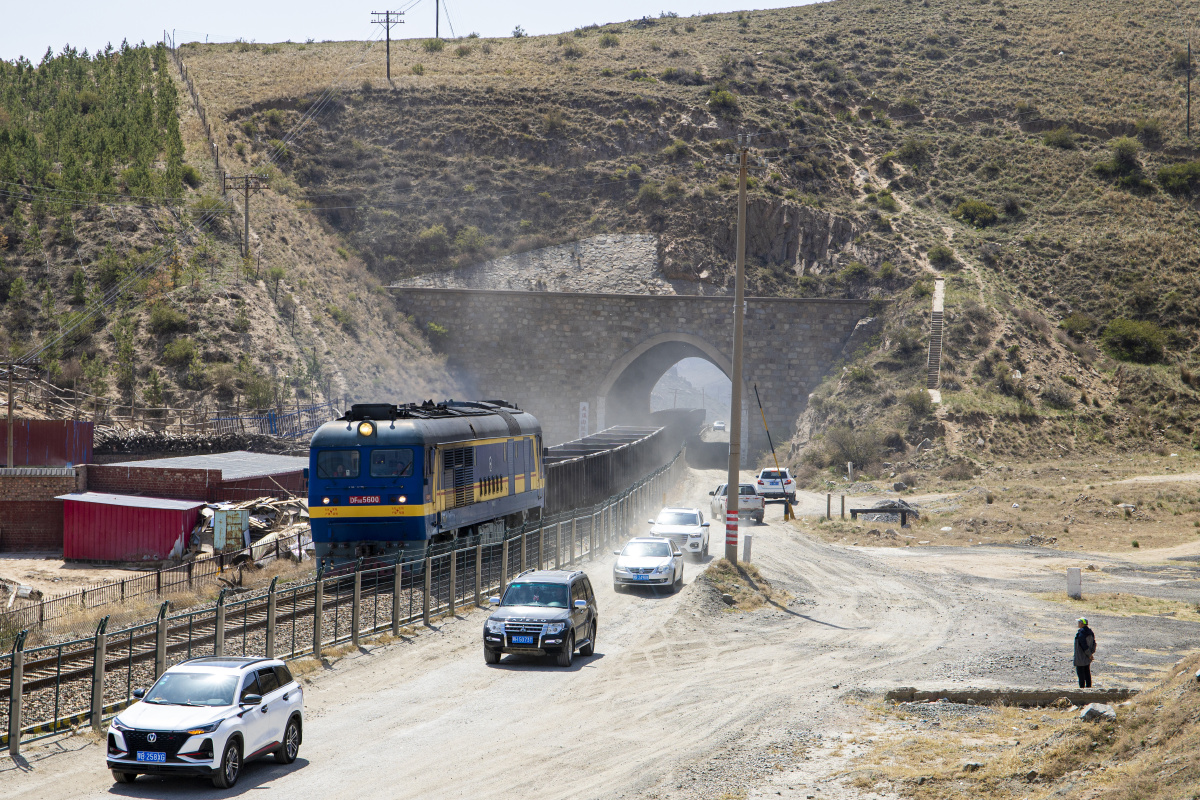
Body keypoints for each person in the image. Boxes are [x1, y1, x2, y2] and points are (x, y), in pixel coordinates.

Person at [1074, 617, 1096, 688]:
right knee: (1087, 672)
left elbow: (1084, 645)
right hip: (1087, 658)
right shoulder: (1090, 632)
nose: (1078, 624)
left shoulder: (1081, 633)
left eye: (1079, 622)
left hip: (1080, 658)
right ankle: (1089, 688)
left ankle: (1082, 689)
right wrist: (1091, 653)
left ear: (1081, 623)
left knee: (1081, 674)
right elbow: (1094, 643)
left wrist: (1089, 654)